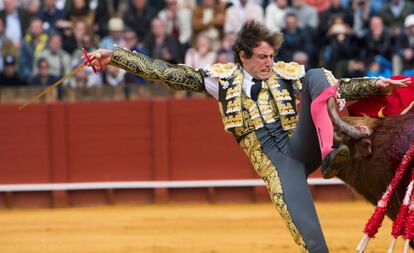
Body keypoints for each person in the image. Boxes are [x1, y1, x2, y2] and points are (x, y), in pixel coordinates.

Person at [84, 20, 408, 253]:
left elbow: (338, 87)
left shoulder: (286, 73)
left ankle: (329, 152)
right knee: (313, 243)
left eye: (272, 56)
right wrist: (116, 57)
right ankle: (329, 152)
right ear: (243, 56)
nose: (271, 63)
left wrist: (375, 85)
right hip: (278, 165)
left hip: (303, 145)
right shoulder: (221, 81)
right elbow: (169, 73)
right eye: (263, 57)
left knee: (317, 76)